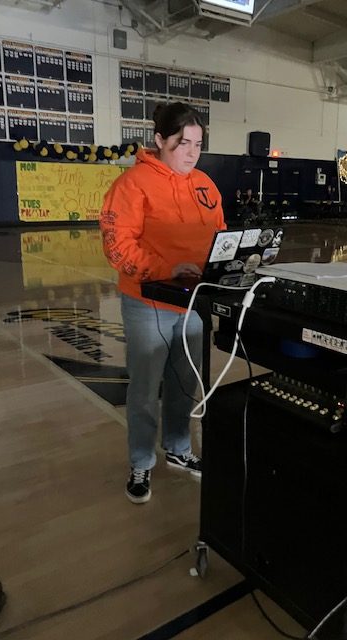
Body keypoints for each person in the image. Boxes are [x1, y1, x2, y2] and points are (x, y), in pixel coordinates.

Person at [100, 102, 225, 504]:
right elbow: (118, 245)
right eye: (182, 143)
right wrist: (168, 268)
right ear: (159, 140)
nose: (191, 152)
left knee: (185, 380)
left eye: (198, 144)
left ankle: (178, 447)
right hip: (147, 301)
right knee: (145, 387)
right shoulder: (132, 185)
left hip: (193, 303)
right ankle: (141, 460)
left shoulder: (206, 184)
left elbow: (219, 234)